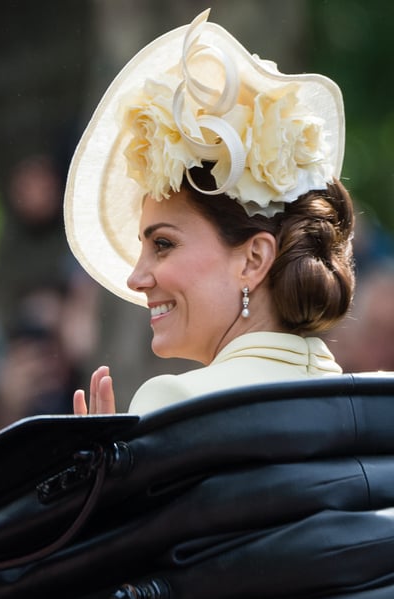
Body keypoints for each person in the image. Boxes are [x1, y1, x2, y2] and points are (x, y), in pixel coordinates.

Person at [65, 9, 355, 415]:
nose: (136, 278)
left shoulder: (174, 402)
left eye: (163, 244)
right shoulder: (363, 402)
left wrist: (106, 477)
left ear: (254, 258)